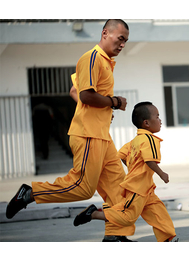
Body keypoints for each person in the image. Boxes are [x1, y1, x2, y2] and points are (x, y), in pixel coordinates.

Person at [6, 19, 134, 242]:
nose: (122, 44)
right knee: (83, 188)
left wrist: (102, 107)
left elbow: (74, 90)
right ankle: (30, 193)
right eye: (120, 38)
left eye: (125, 41)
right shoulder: (91, 58)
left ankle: (115, 236)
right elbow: (85, 95)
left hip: (102, 135)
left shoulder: (105, 62)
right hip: (88, 134)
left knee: (118, 188)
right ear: (105, 33)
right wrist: (113, 102)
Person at [73, 102, 178, 242]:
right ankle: (94, 214)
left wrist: (133, 168)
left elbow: (121, 155)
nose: (160, 120)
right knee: (127, 217)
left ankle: (167, 239)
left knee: (158, 212)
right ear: (146, 123)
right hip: (138, 189)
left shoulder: (136, 140)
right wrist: (161, 173)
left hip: (146, 188)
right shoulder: (151, 139)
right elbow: (149, 160)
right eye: (157, 116)